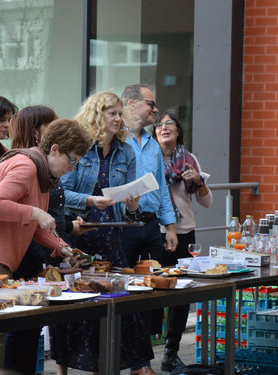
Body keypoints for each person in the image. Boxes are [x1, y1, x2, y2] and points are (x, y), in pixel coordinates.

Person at [0, 118, 90, 374]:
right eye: (72, 160)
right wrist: (35, 212)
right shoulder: (27, 166)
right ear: (55, 149)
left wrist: (62, 248)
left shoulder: (42, 173)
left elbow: (38, 226)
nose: (72, 168)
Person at [55, 91, 153, 375]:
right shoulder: (81, 148)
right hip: (78, 232)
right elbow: (62, 193)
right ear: (98, 115)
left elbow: (129, 206)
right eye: (112, 113)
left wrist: (133, 205)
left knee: (116, 300)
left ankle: (119, 366)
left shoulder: (127, 151)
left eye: (120, 114)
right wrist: (90, 201)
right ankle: (63, 368)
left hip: (112, 234)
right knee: (75, 300)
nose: (119, 119)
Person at [120, 84, 177, 374]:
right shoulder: (118, 140)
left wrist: (170, 225)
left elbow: (163, 188)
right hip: (124, 226)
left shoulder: (153, 145)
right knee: (124, 295)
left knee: (148, 296)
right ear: (131, 104)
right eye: (150, 105)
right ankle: (131, 362)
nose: (156, 111)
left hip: (151, 225)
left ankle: (140, 363)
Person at [153, 110, 212, 371]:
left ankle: (171, 351)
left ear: (178, 131)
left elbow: (206, 202)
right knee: (152, 292)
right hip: (155, 232)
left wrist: (200, 182)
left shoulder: (189, 159)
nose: (165, 128)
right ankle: (143, 354)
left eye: (170, 124)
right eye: (160, 125)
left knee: (182, 292)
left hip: (186, 231)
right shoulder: (148, 158)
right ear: (154, 132)